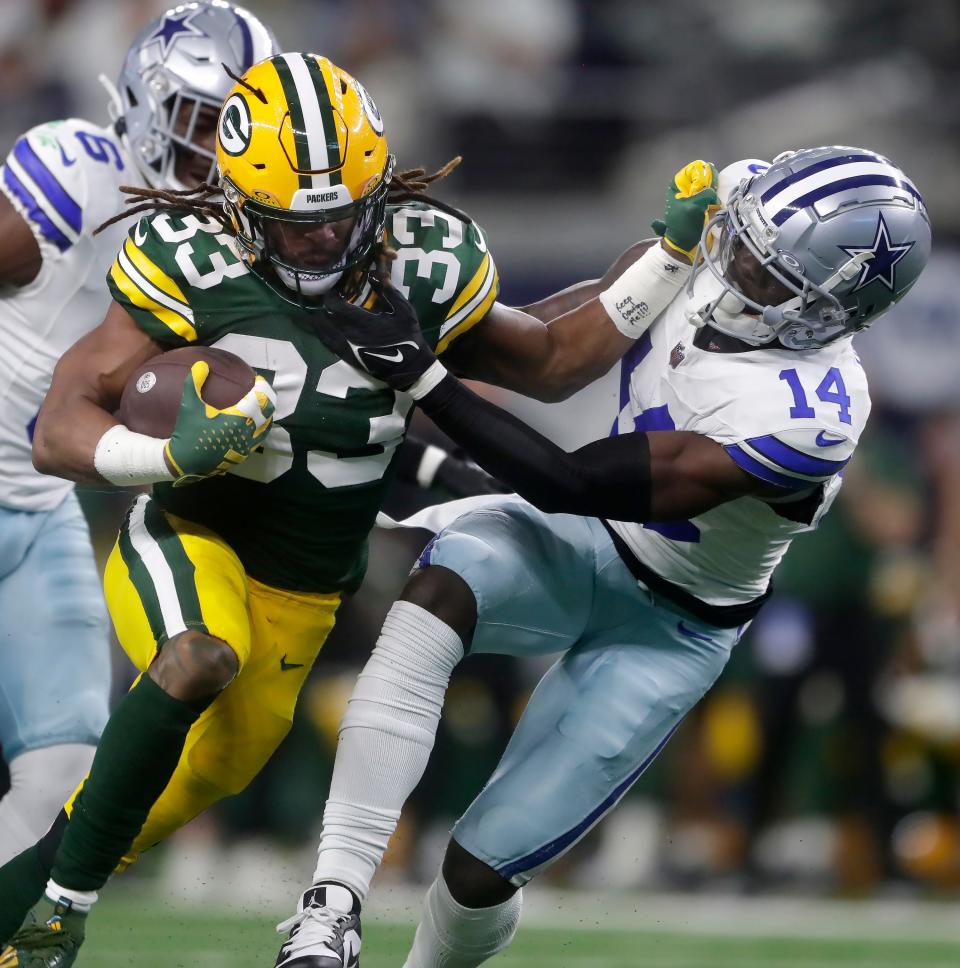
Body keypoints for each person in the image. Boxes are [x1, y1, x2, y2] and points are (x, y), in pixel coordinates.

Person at [0, 50, 708, 967]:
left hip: (306, 586)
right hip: (193, 533)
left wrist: (670, 256)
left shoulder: (421, 256)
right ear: (241, 206)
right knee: (195, 657)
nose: (322, 243)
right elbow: (60, 426)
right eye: (294, 227)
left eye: (340, 218)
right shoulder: (190, 258)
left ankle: (24, 910)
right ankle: (60, 917)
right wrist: (168, 455)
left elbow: (552, 357)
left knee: (186, 779)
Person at [276, 146, 932, 968]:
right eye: (739, 242)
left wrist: (420, 375)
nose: (728, 269)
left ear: (829, 312)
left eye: (767, 276)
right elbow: (545, 356)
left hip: (674, 622)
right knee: (440, 589)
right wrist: (371, 301)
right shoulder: (714, 238)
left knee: (479, 870)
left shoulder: (813, 414)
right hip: (588, 547)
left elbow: (568, 481)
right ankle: (329, 908)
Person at [0, 0, 277, 870]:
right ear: (151, 102)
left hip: (39, 513)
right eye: (202, 122)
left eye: (235, 131)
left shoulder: (244, 241)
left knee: (62, 777)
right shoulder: (80, 173)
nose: (214, 153)